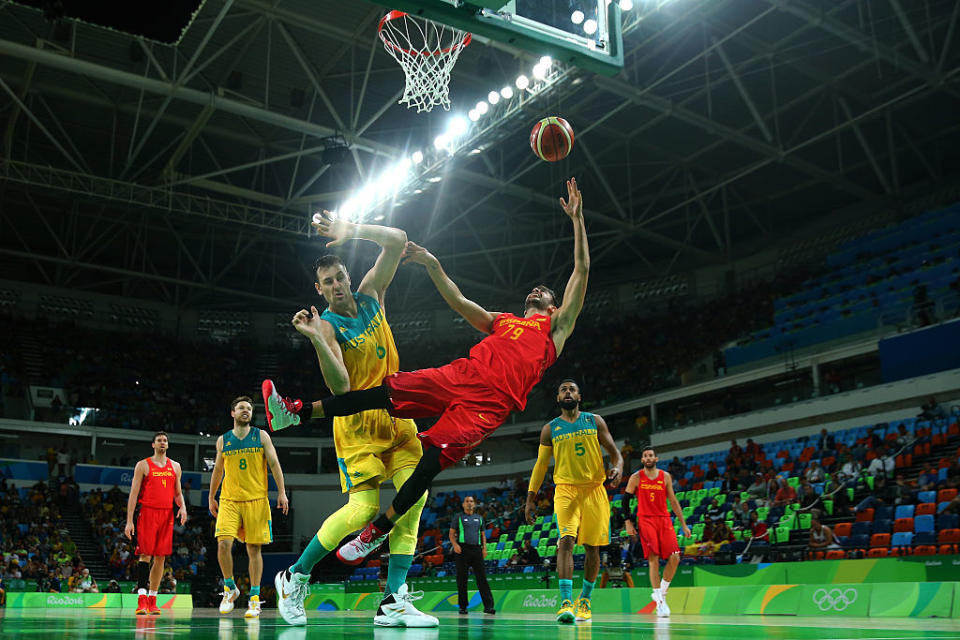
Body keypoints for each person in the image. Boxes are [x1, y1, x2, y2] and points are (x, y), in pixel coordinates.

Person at [264, 178, 589, 569]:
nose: (537, 290)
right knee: (388, 391)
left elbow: (581, 268)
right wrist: (432, 263)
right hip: (462, 374)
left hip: (490, 403)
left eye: (545, 291)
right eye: (533, 290)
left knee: (431, 460)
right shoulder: (504, 321)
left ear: (555, 307)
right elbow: (458, 300)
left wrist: (577, 219)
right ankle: (295, 412)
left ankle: (379, 529)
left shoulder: (555, 329)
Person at [268, 215, 435, 629]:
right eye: (328, 282)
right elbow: (341, 387)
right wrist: (316, 340)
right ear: (319, 290)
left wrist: (350, 228)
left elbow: (397, 239)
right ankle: (295, 575)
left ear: (347, 275)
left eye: (340, 276)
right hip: (358, 426)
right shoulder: (327, 324)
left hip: (398, 416)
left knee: (415, 496)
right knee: (363, 510)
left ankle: (394, 599)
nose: (337, 285)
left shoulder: (372, 293)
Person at [525, 379, 623, 624]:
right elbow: (540, 466)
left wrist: (618, 468)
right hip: (566, 490)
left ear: (579, 396)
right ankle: (566, 603)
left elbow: (615, 454)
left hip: (594, 490)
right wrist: (530, 498)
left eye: (572, 389)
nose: (567, 392)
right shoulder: (550, 429)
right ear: (558, 398)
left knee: (592, 547)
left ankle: (585, 602)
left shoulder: (594, 421)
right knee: (565, 541)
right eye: (563, 390)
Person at [208, 396, 289, 619]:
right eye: (241, 408)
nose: (246, 411)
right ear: (232, 413)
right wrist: (211, 496)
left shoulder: (261, 436)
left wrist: (281, 492)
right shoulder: (223, 440)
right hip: (229, 500)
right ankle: (229, 588)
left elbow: (274, 464)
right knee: (223, 544)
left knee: (254, 550)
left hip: (256, 500)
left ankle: (254, 598)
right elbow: (218, 471)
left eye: (249, 409)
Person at [621, 447, 691, 618]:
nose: (648, 458)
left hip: (664, 520)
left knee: (675, 557)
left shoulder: (665, 476)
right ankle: (660, 603)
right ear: (642, 460)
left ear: (656, 458)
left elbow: (673, 501)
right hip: (645, 520)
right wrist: (628, 522)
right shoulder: (636, 477)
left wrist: (683, 524)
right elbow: (625, 502)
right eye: (645, 456)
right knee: (654, 558)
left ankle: (661, 593)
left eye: (650, 455)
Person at [124, 431, 188, 616]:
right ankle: (141, 598)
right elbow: (134, 495)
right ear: (153, 444)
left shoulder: (175, 466)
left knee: (160, 558)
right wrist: (129, 521)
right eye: (159, 440)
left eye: (165, 440)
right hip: (148, 513)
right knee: (145, 555)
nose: (162, 442)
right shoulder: (143, 465)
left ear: (167, 445)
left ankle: (153, 599)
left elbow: (177, 493)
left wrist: (182, 507)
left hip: (167, 515)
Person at [449, 496, 494, 615]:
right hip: (462, 550)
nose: (469, 503)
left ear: (474, 504)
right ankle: (463, 607)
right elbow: (451, 534)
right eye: (467, 501)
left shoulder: (479, 518)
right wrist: (455, 545)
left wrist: (484, 548)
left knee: (482, 578)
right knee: (462, 579)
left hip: (476, 550)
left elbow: (483, 535)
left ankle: (488, 606)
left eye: (471, 501)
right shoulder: (458, 517)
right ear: (463, 504)